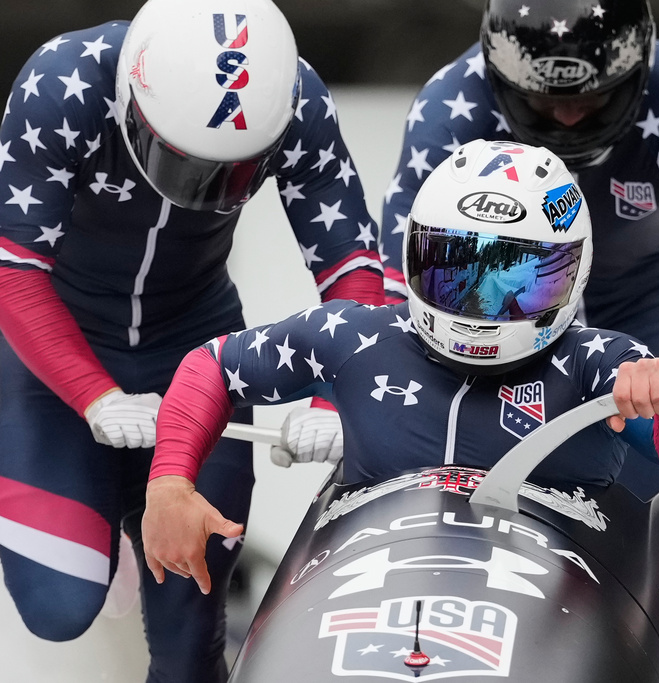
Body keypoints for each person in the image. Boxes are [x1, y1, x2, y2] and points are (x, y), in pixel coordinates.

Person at [140, 139, 659, 594]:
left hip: (552, 604)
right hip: (371, 596)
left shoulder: (598, 362)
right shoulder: (356, 336)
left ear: (572, 275)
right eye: (456, 268)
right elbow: (212, 366)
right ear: (414, 255)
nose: (481, 302)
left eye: (515, 278)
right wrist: (169, 483)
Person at [0, 0, 383, 679]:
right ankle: (102, 512)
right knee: (57, 608)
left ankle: (126, 510)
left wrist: (335, 397)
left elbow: (352, 265)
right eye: (181, 163)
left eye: (227, 174)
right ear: (130, 103)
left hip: (198, 348)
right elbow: (14, 270)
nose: (197, 192)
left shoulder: (299, 100)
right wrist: (93, 395)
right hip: (57, 351)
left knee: (187, 639)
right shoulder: (63, 83)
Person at [375, 0, 659, 498]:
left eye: (590, 99)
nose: (565, 117)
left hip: (639, 303)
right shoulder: (449, 110)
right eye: (542, 101)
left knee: (658, 479)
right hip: (505, 304)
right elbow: (408, 270)